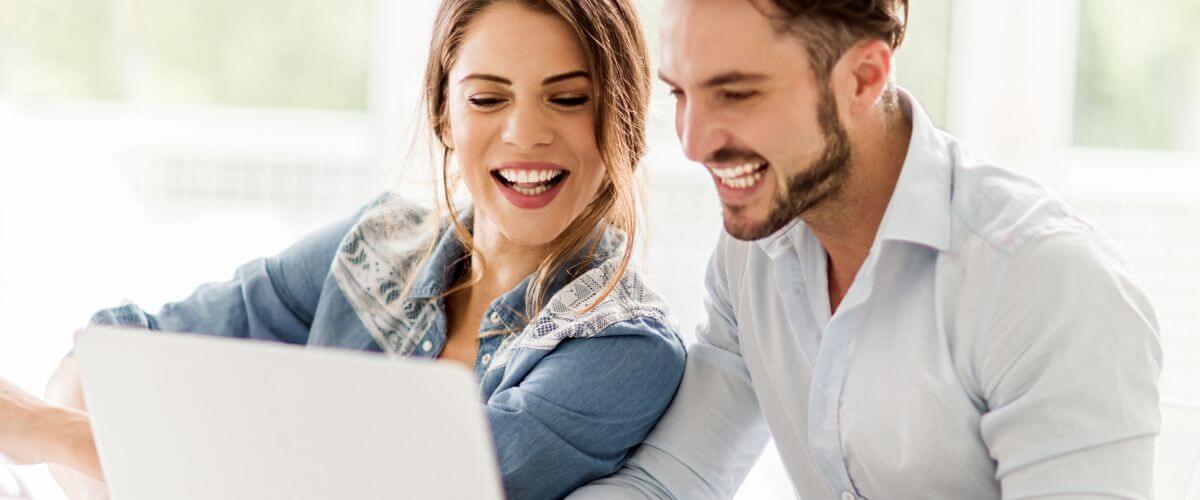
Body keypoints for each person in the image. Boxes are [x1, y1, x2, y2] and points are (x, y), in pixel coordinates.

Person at [0, 1, 685, 499]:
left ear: (621, 117)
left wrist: (55, 434)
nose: (525, 132)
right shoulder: (376, 245)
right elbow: (114, 354)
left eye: (567, 99)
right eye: (486, 98)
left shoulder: (624, 346)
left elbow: (398, 489)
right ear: (445, 114)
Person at [571, 0, 1162, 498]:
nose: (693, 143)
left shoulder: (1043, 284)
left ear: (863, 77)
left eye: (737, 93)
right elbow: (671, 479)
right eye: (680, 94)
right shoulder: (751, 255)